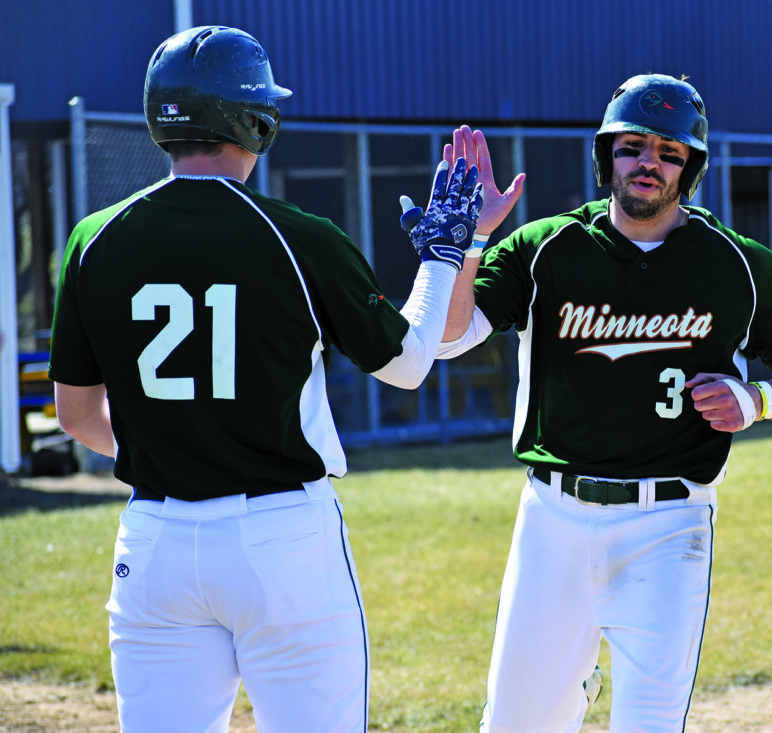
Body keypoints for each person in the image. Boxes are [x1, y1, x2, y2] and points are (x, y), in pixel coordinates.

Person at [47, 26, 481, 733]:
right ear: (255, 119)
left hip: (154, 541)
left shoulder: (93, 236)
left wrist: (179, 449)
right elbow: (407, 366)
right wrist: (444, 255)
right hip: (282, 539)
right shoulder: (299, 235)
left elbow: (75, 415)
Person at [438, 74, 772, 732]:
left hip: (670, 522)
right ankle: (572, 681)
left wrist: (759, 398)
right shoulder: (545, 247)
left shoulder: (734, 262)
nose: (648, 162)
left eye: (668, 151)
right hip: (553, 519)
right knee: (515, 724)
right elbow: (449, 337)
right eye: (632, 147)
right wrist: (472, 241)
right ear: (608, 157)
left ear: (690, 167)